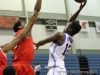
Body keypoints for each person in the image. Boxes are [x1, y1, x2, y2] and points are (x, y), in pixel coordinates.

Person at [34, 0, 87, 75]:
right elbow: (71, 21)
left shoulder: (60, 35)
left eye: (68, 25)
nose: (67, 24)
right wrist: (79, 9)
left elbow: (44, 42)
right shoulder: (69, 39)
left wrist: (39, 43)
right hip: (61, 70)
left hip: (55, 69)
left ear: (70, 29)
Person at [12, 0, 42, 75]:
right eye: (23, 23)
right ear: (20, 26)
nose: (25, 24)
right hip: (23, 66)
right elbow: (37, 10)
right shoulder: (24, 32)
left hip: (16, 65)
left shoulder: (16, 36)